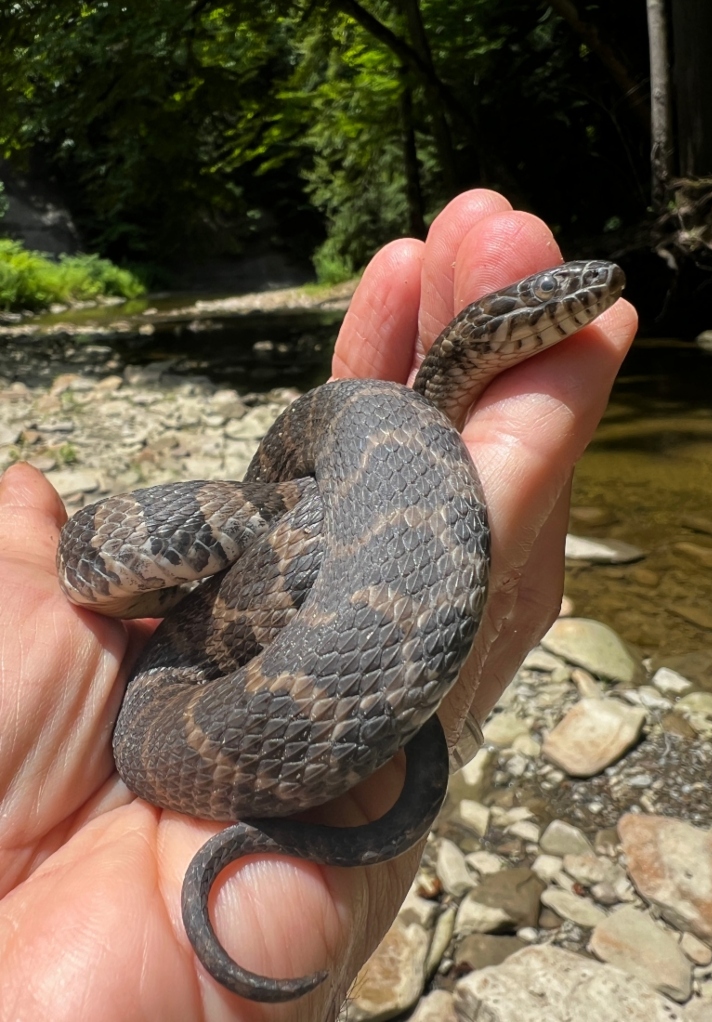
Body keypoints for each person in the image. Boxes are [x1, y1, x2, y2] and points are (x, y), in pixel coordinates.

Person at [0, 190, 636, 1021]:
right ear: (488, 334)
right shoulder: (385, 426)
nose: (579, 301)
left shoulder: (383, 426)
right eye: (554, 300)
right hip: (197, 696)